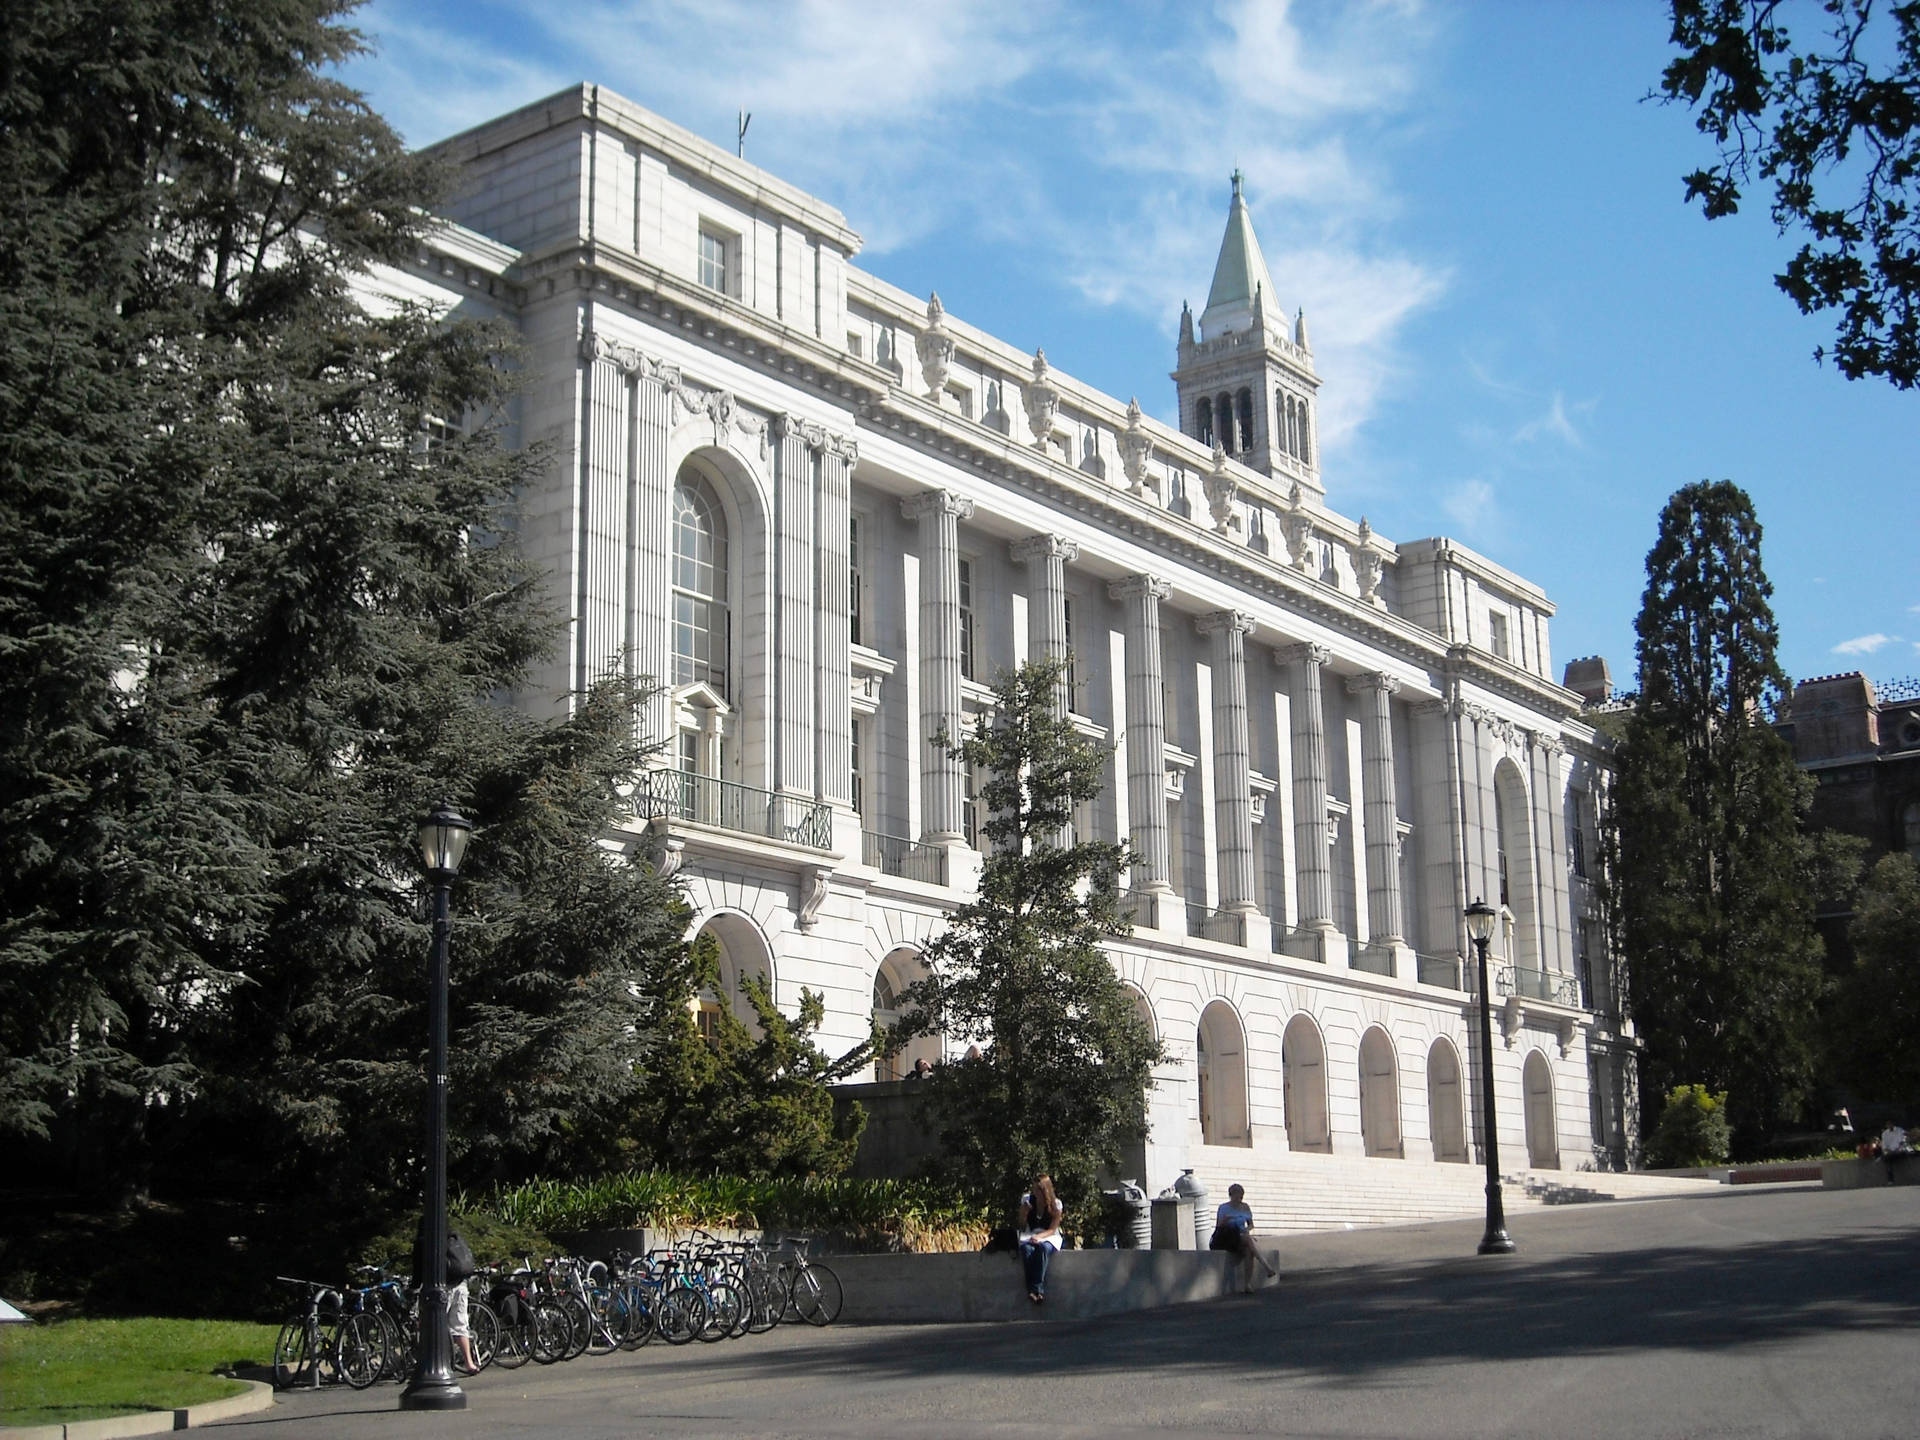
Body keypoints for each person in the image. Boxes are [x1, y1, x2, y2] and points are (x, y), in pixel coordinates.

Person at [413, 1225, 480, 1375]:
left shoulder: (425, 1240)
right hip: (460, 1283)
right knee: (460, 1324)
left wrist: (414, 1287)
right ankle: (469, 1363)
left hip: (441, 1286)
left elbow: (417, 1268)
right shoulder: (453, 1237)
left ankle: (431, 1362)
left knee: (431, 1324)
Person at [1208, 1183, 1276, 1291]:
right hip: (1226, 1237)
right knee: (1247, 1239)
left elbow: (1251, 1224)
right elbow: (1219, 1227)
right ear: (1231, 1195)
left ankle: (1247, 1284)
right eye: (1236, 1196)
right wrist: (1226, 1221)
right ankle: (1266, 1266)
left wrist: (1246, 1229)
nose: (1239, 1199)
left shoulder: (1245, 1207)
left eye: (1241, 1196)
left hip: (1240, 1236)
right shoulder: (1223, 1208)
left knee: (1249, 1251)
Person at [1017, 1175, 1064, 1304]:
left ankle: (1038, 1289)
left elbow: (1053, 1229)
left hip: (1049, 1236)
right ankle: (1031, 1289)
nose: (1035, 1192)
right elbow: (1021, 1225)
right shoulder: (1028, 1201)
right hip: (1031, 1234)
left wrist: (1040, 1237)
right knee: (1027, 1250)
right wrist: (1024, 1213)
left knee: (1043, 1249)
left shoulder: (1056, 1205)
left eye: (1038, 1189)